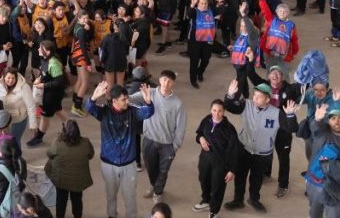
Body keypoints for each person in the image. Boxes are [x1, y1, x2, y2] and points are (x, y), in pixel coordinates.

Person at [223, 79, 298, 213]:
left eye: (259, 96)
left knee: (256, 179)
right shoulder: (246, 105)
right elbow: (230, 107)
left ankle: (254, 199)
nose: (255, 98)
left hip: (262, 154)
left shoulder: (277, 113)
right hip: (244, 149)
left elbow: (292, 128)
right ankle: (238, 200)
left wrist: (291, 115)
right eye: (254, 95)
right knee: (240, 176)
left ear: (267, 99)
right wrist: (229, 95)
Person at [86, 81, 154, 218]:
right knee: (111, 195)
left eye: (127, 98)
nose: (127, 101)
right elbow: (89, 108)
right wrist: (93, 98)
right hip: (108, 163)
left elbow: (148, 113)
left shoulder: (132, 111)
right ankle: (112, 215)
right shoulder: (104, 112)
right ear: (114, 101)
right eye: (124, 99)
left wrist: (148, 102)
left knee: (130, 196)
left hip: (129, 164)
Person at [130, 70, 186, 204]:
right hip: (149, 140)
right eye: (164, 79)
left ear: (173, 83)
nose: (166, 83)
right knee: (151, 167)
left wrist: (175, 146)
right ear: (159, 80)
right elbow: (130, 98)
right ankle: (153, 184)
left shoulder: (178, 103)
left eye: (170, 81)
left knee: (163, 171)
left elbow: (181, 126)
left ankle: (158, 192)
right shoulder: (151, 93)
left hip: (167, 145)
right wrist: (118, 93)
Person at [192, 99, 239, 218]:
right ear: (210, 110)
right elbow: (199, 133)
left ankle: (214, 211)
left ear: (224, 112)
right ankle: (206, 200)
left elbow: (234, 151)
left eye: (219, 111)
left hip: (220, 163)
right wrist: (201, 139)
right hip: (205, 158)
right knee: (203, 180)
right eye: (214, 110)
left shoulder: (229, 129)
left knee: (218, 186)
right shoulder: (206, 120)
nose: (216, 114)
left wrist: (231, 170)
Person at [45, 119, 94, 218]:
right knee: (77, 200)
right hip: (78, 180)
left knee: (61, 199)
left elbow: (49, 154)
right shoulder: (85, 142)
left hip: (61, 180)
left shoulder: (57, 143)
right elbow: (91, 155)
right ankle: (77, 216)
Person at [27, 41, 69, 147]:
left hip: (52, 95)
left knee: (45, 115)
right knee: (58, 110)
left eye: (41, 49)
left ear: (48, 51)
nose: (38, 50)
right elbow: (45, 73)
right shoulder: (45, 59)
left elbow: (59, 82)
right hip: (50, 93)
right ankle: (71, 128)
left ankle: (38, 137)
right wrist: (39, 79)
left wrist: (43, 85)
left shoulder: (53, 63)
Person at [254, 0, 299, 81]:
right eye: (280, 11)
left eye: (284, 12)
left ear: (288, 14)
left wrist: (294, 51)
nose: (282, 13)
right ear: (276, 12)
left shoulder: (291, 25)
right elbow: (265, 9)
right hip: (269, 53)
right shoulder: (271, 19)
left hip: (284, 55)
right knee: (270, 72)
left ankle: (286, 90)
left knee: (284, 73)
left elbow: (294, 39)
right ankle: (270, 88)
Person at [0, 68, 37, 144]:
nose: (11, 80)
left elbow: (31, 106)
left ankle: (17, 156)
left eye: (13, 78)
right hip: (4, 120)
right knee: (4, 141)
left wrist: (33, 124)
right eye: (8, 78)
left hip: (18, 120)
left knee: (15, 141)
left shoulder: (24, 87)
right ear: (4, 77)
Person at [187, 0, 216, 89]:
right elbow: (189, 14)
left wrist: (222, 2)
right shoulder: (195, 11)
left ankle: (200, 72)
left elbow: (222, 10)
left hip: (207, 40)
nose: (203, 5)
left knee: (206, 60)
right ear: (198, 4)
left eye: (205, 3)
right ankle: (193, 80)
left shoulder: (211, 11)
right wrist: (192, 4)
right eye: (201, 3)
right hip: (195, 41)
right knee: (194, 61)